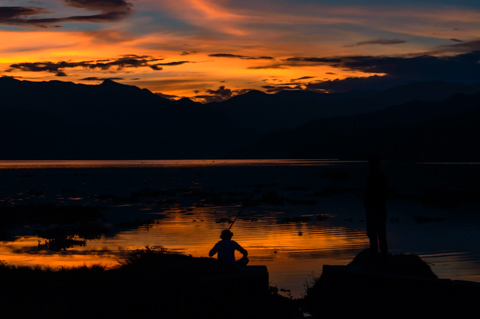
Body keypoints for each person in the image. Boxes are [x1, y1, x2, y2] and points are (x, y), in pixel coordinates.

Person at [364, 155, 388, 254]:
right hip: (378, 207)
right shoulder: (380, 176)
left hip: (374, 208)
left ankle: (376, 253)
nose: (369, 165)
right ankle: (381, 253)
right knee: (379, 232)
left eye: (371, 163)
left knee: (374, 232)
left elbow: (370, 193)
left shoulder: (373, 177)